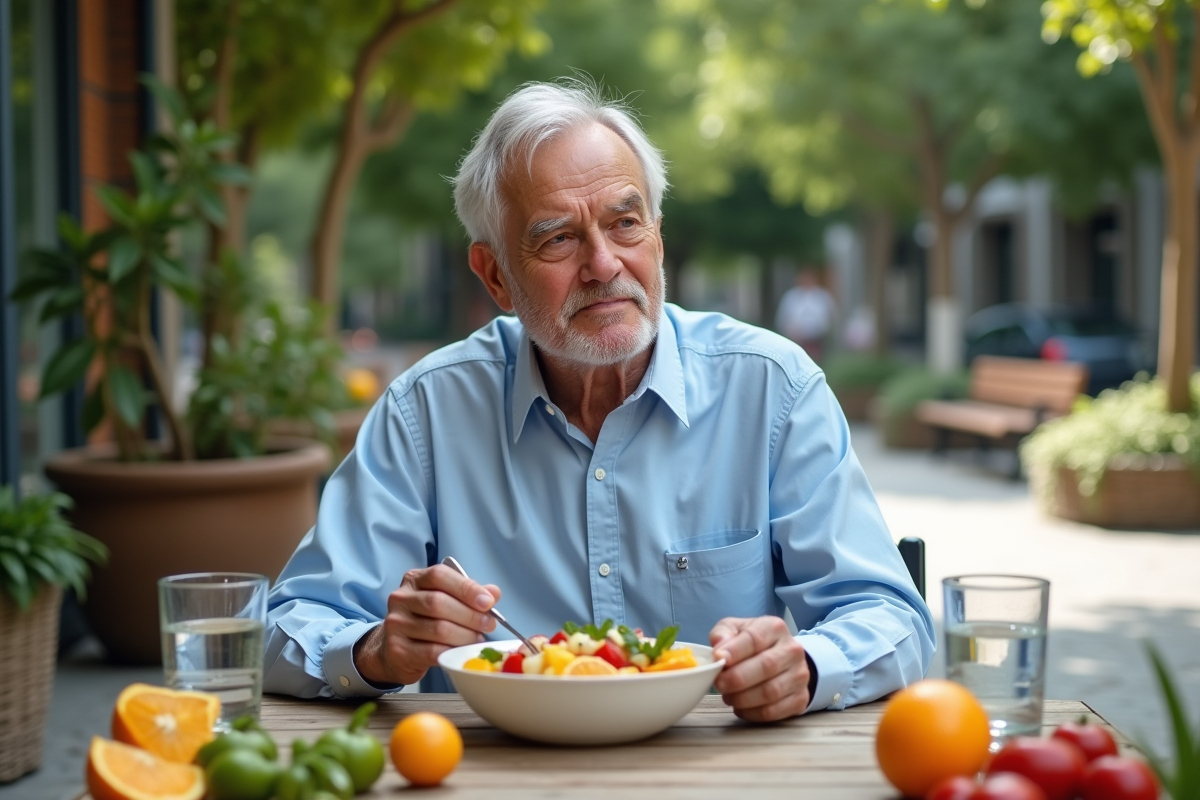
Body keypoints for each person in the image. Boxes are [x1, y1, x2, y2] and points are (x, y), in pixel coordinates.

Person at [263, 80, 933, 722]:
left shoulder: (772, 388)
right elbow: (285, 628)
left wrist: (807, 666)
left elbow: (890, 618)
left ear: (658, 238)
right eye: (558, 237)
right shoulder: (426, 412)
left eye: (625, 223)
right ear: (495, 275)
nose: (604, 263)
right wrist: (377, 652)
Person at [775, 269, 837, 362]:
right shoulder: (791, 296)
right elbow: (783, 318)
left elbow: (831, 315)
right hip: (798, 338)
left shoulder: (822, 296)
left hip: (818, 337)